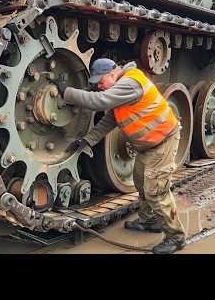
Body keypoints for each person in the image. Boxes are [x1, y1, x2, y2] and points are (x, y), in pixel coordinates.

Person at [52, 58, 186, 254]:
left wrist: (67, 92)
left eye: (100, 81)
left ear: (113, 73)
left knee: (156, 190)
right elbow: (112, 118)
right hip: (148, 145)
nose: (99, 86)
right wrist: (88, 139)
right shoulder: (122, 87)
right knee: (141, 183)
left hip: (163, 141)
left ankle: (176, 237)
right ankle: (150, 221)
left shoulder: (130, 83)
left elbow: (99, 102)